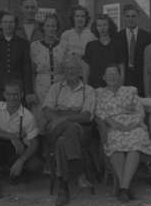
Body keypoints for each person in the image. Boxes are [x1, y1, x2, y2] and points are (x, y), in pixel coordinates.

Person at [95, 64, 151, 203]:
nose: (112, 76)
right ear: (104, 77)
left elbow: (140, 110)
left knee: (135, 143)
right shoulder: (100, 94)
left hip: (133, 125)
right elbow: (100, 113)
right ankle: (126, 188)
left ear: (120, 76)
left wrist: (133, 124)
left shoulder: (130, 91)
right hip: (113, 126)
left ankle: (123, 187)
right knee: (115, 144)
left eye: (115, 74)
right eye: (109, 74)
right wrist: (116, 125)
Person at [42, 56, 96, 206]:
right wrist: (62, 120)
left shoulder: (88, 90)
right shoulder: (55, 88)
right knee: (68, 129)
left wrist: (63, 119)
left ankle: (63, 188)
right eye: (67, 69)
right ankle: (78, 170)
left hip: (79, 130)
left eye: (73, 68)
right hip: (55, 127)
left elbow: (87, 116)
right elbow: (46, 110)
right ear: (64, 72)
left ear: (79, 71)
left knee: (62, 142)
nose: (70, 71)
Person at [0, 80, 43, 199]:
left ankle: (11, 173)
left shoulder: (28, 116)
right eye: (9, 94)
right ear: (4, 95)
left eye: (15, 94)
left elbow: (34, 143)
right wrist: (13, 136)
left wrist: (21, 160)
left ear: (21, 94)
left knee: (35, 165)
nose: (12, 98)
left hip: (16, 150)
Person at [0, 11, 34, 103]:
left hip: (17, 90)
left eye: (11, 22)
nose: (8, 25)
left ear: (15, 25)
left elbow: (27, 69)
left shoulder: (23, 43)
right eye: (5, 22)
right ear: (0, 25)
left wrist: (28, 92)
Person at [30, 14, 66, 132]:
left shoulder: (64, 45)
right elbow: (31, 71)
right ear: (43, 27)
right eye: (48, 25)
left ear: (57, 28)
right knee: (41, 120)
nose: (51, 28)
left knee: (57, 121)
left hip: (60, 86)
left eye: (54, 26)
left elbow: (68, 69)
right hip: (41, 86)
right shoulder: (34, 46)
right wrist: (32, 91)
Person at [115, 4, 151, 96]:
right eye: (128, 16)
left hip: (142, 78)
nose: (130, 19)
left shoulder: (149, 37)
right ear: (124, 17)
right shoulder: (116, 37)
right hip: (123, 78)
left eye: (133, 16)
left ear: (138, 17)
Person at [82, 14, 123, 88]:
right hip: (93, 86)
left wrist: (120, 87)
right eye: (99, 25)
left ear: (110, 26)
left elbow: (121, 69)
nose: (102, 28)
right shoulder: (90, 46)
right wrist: (85, 87)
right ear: (96, 27)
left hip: (113, 87)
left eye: (105, 25)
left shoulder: (118, 45)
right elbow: (86, 70)